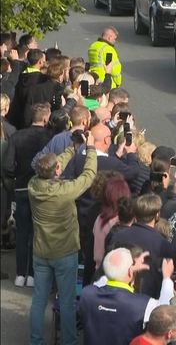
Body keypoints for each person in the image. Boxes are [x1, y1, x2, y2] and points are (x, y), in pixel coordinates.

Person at [27, 133, 97, 345]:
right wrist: (90, 149)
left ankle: (36, 341)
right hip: (65, 254)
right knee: (66, 302)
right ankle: (69, 341)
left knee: (38, 300)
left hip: (41, 251)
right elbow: (88, 175)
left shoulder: (33, 185)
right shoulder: (65, 191)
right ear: (57, 171)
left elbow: (53, 165)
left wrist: (73, 147)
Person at [80, 248, 176, 344]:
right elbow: (166, 314)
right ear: (130, 272)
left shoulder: (87, 294)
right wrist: (167, 278)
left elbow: (103, 280)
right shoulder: (143, 305)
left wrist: (124, 269)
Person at [2, 103, 53, 287]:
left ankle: (20, 273)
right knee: (37, 233)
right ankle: (33, 274)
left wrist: (14, 181)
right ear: (46, 118)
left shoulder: (17, 136)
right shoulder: (49, 137)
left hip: (21, 189)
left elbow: (7, 166)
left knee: (22, 232)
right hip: (42, 190)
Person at [110, 194, 174, 298]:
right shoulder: (163, 244)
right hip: (149, 299)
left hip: (119, 294)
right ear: (157, 215)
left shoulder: (118, 236)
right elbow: (167, 273)